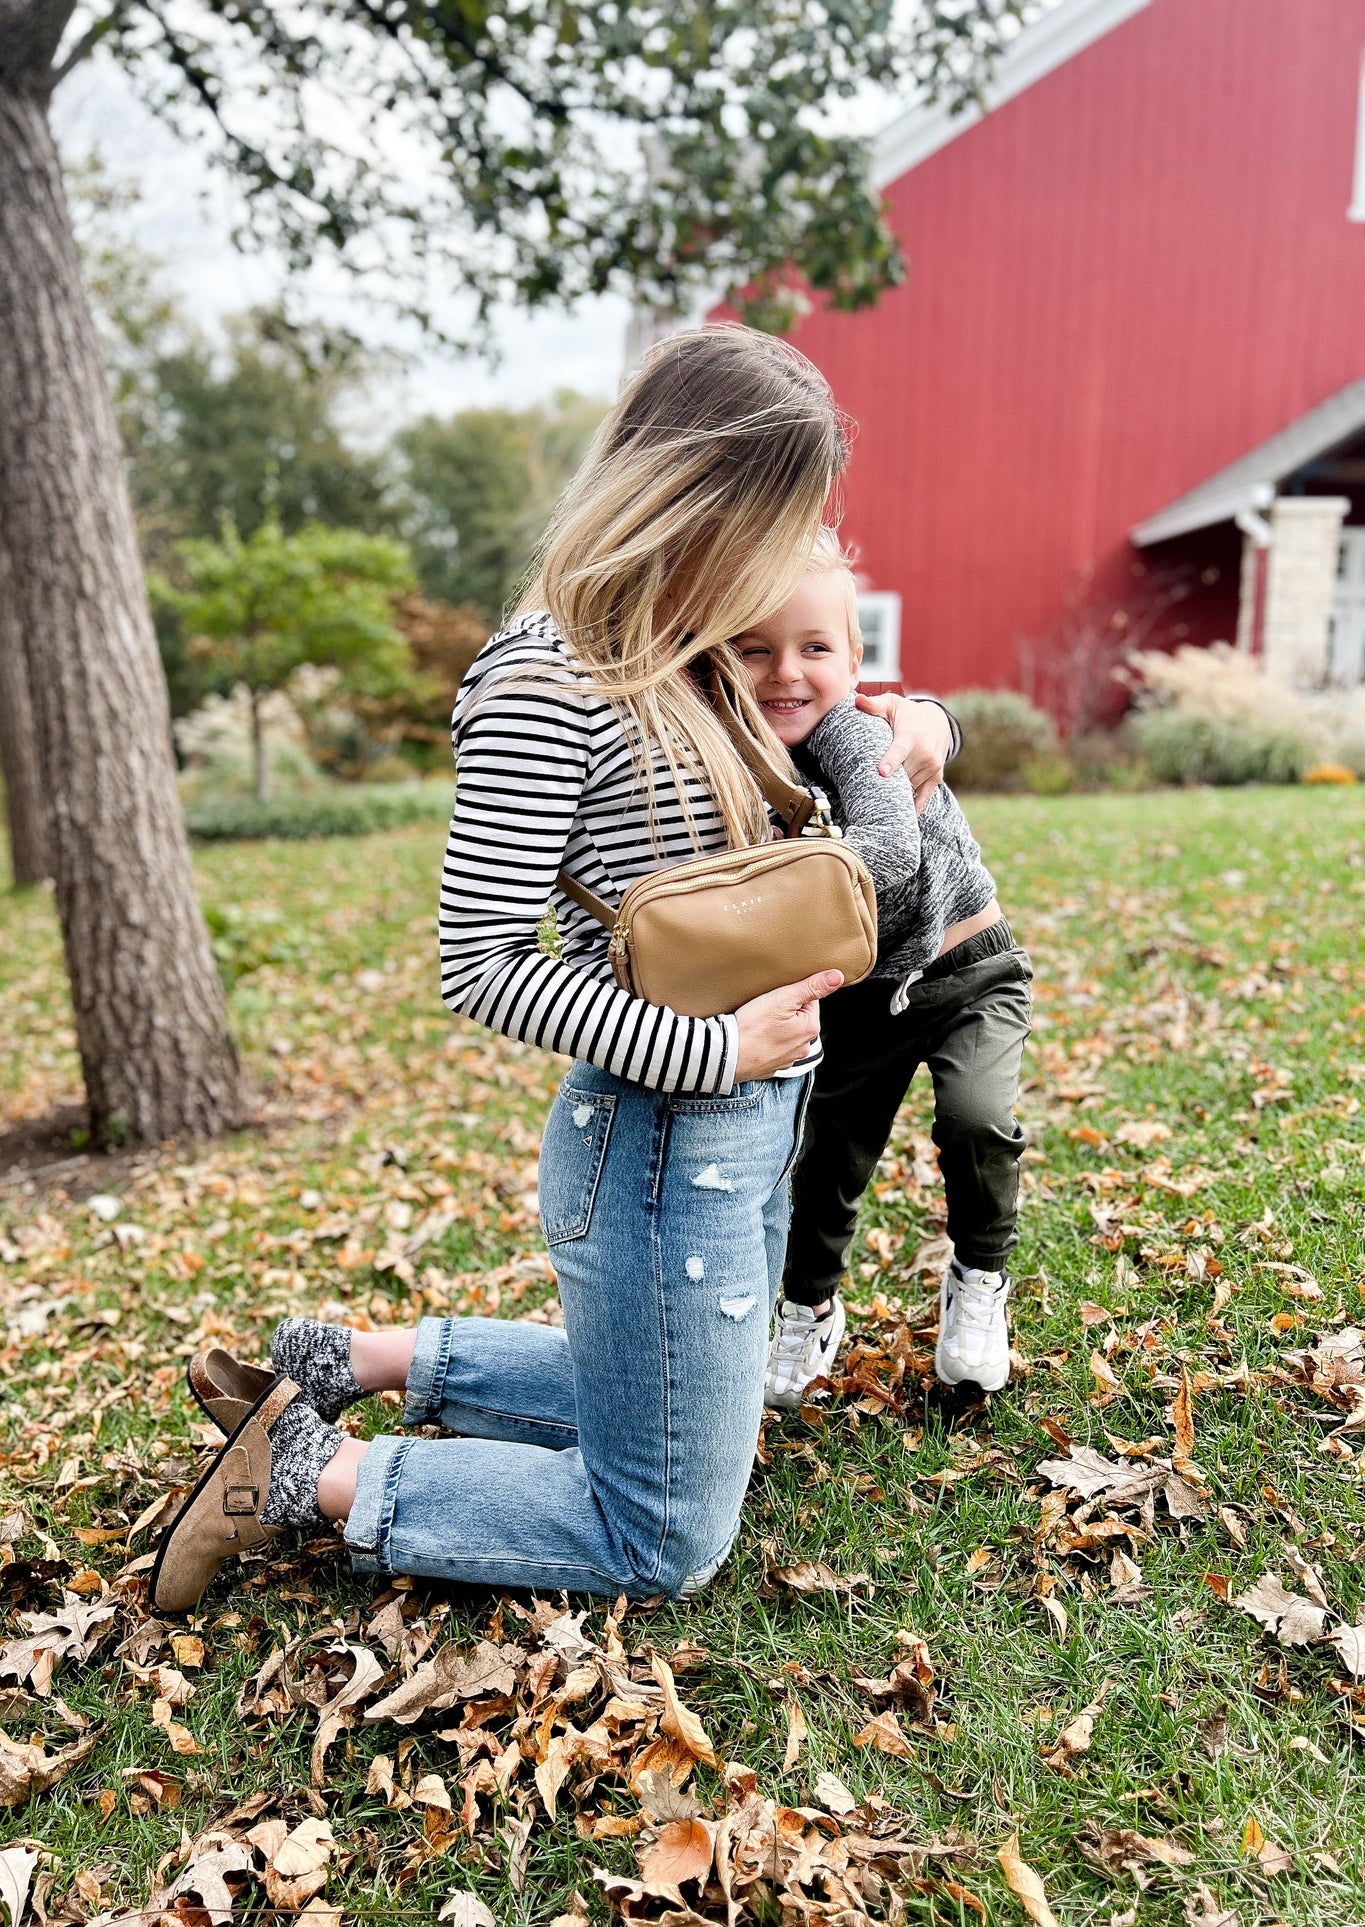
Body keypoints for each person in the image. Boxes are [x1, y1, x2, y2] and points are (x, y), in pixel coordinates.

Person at [148, 327, 956, 1614]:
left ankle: (338, 1358)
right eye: (770, 516)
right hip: (658, 1146)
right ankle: (307, 1471)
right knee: (662, 1538)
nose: (781, 557)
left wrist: (925, 723)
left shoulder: (687, 646)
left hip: (747, 1128)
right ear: (694, 498)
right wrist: (719, 1051)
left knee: (710, 1399)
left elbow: (836, 740)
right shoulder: (548, 677)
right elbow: (476, 964)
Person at [733, 534, 1032, 1405]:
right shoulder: (736, 757)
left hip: (967, 971)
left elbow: (889, 853)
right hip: (860, 992)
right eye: (755, 649)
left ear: (855, 659)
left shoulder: (861, 735)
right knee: (824, 1157)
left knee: (976, 1119)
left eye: (815, 648)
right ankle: (807, 1307)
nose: (785, 672)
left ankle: (978, 1281)